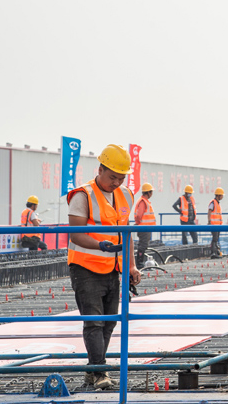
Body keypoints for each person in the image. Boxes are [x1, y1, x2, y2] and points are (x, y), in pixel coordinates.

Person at [67, 144, 142, 390]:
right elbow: (75, 234)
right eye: (112, 177)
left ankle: (95, 370)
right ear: (100, 169)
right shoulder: (83, 195)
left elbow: (127, 233)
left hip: (113, 268)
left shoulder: (126, 195)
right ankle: (99, 372)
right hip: (86, 267)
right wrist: (101, 245)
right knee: (94, 322)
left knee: (109, 322)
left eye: (121, 178)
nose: (116, 183)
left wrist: (131, 266)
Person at [133, 183, 156, 268]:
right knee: (142, 245)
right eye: (151, 192)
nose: (152, 194)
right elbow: (139, 215)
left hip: (146, 227)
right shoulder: (143, 201)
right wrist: (139, 223)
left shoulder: (145, 201)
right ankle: (139, 263)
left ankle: (140, 262)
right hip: (144, 227)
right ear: (148, 192)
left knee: (144, 245)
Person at [208, 187, 224, 258]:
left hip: (218, 225)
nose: (222, 196)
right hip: (214, 225)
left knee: (216, 239)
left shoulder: (217, 203)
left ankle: (216, 252)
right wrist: (209, 221)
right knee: (214, 239)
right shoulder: (213, 202)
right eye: (221, 195)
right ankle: (213, 253)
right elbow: (209, 211)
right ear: (218, 195)